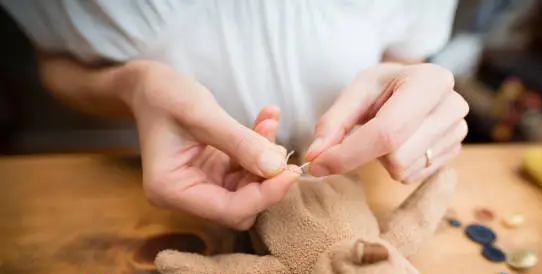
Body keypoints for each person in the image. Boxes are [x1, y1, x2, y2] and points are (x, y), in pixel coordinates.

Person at [1, 0, 469, 230]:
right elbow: (54, 62)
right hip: (147, 210)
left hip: (360, 199)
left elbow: (409, 55)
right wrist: (132, 85)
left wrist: (416, 85)